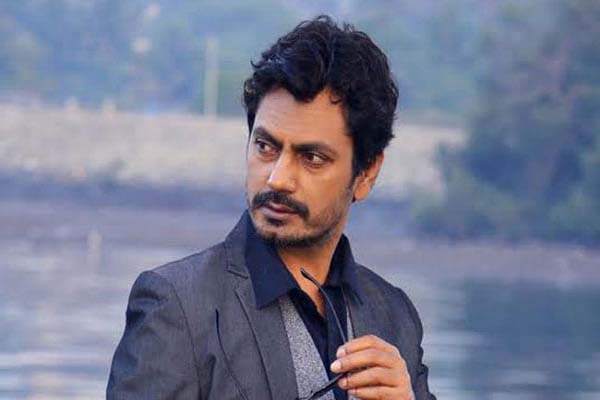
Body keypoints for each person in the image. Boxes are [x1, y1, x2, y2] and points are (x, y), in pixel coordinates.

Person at [107, 15, 436, 400]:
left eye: (312, 158)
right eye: (265, 147)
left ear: (366, 173)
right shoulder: (178, 306)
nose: (278, 179)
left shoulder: (394, 316)